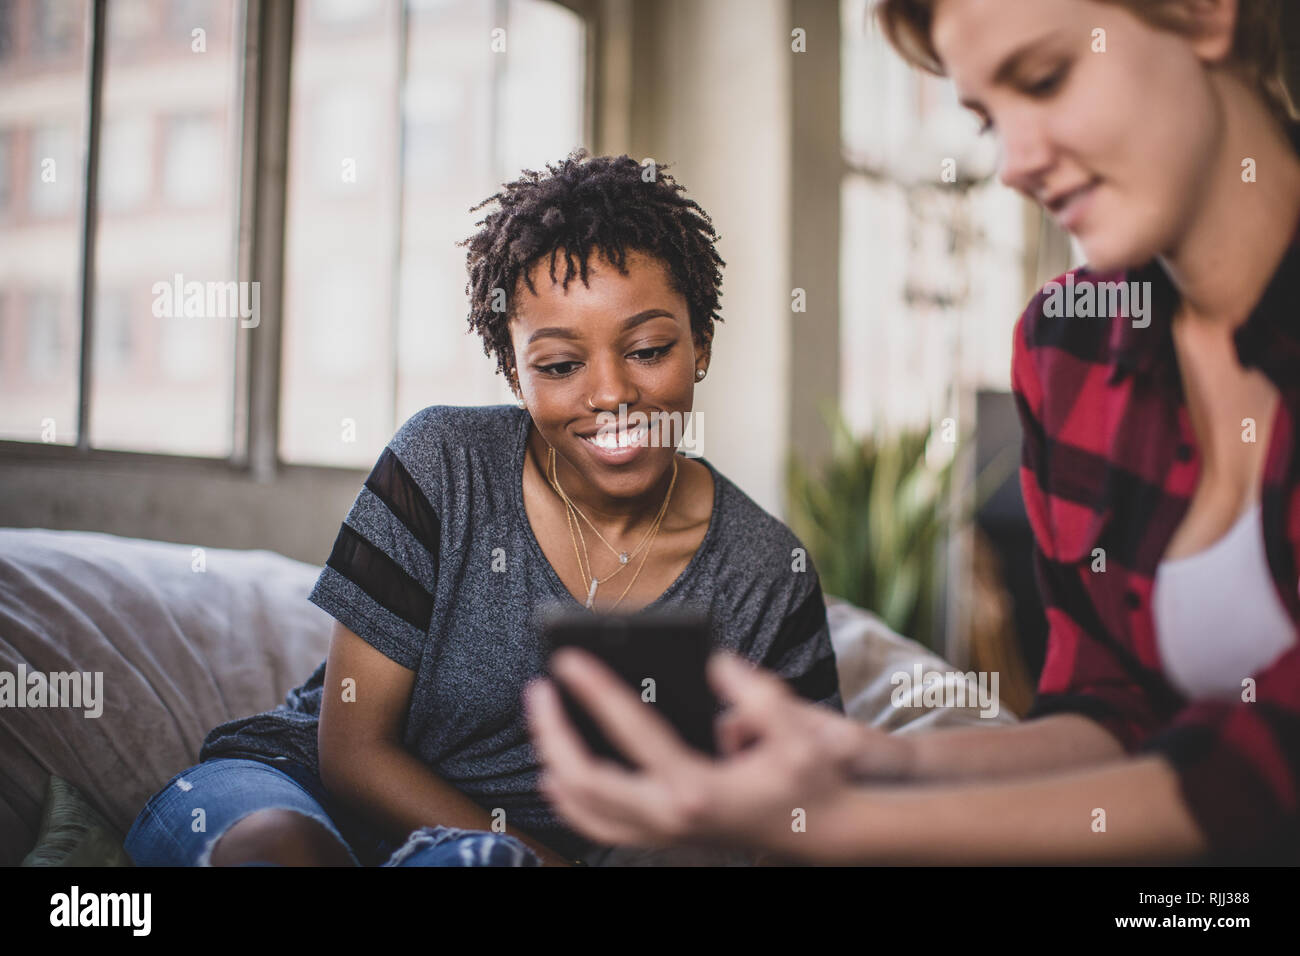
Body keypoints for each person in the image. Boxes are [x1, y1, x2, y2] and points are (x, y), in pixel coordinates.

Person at [525, 0, 1300, 865]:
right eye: (989, 117)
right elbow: (1114, 714)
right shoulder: (1071, 348)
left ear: (1203, 14)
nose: (1017, 163)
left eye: (1045, 79)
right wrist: (882, 761)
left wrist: (839, 825)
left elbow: (1269, 758)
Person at [123, 151, 843, 867]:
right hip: (294, 796)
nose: (611, 393)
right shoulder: (443, 463)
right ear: (513, 372)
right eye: (560, 365)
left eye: (650, 349)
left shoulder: (763, 572)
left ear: (702, 346)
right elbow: (351, 752)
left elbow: (801, 818)